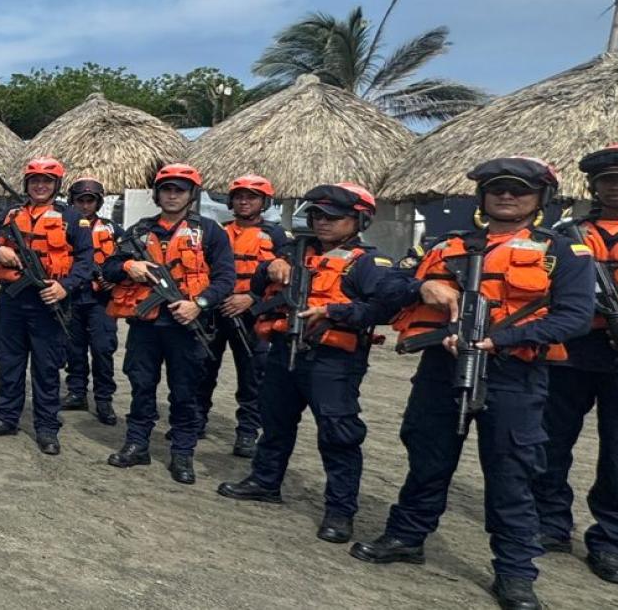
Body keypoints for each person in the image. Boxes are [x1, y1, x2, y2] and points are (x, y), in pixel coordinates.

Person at [352, 157, 596, 610]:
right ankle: (407, 536)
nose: (506, 196)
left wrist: (499, 339)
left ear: (540, 198)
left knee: (511, 475)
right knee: (426, 457)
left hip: (514, 376)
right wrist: (423, 287)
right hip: (440, 371)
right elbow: (385, 290)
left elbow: (574, 317)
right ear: (482, 196)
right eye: (496, 188)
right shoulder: (446, 245)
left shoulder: (562, 251)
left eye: (518, 189)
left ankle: (515, 573)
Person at [216, 183, 409, 546]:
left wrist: (334, 310)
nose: (322, 223)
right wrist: (270, 266)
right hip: (284, 350)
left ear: (359, 220)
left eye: (333, 217)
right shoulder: (294, 249)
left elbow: (383, 309)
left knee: (338, 435)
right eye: (317, 215)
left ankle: (340, 510)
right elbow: (259, 286)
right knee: (274, 421)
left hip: (333, 360)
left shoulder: (369, 262)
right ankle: (265, 481)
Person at [531, 143, 618, 586]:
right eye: (609, 180)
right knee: (550, 440)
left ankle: (614, 539)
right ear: (594, 185)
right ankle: (549, 522)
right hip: (570, 349)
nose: (617, 188)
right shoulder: (567, 232)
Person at [102, 163, 234, 483]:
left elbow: (226, 278)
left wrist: (198, 304)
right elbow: (109, 268)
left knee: (186, 392)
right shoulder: (139, 230)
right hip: (146, 326)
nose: (173, 195)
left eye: (180, 190)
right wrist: (129, 265)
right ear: (157, 194)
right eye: (167, 189)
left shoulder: (210, 231)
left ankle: (183, 453)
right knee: (141, 386)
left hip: (187, 326)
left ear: (191, 195)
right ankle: (137, 444)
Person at [0, 157, 96, 456]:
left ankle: (47, 427)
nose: (40, 185)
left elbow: (86, 261)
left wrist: (63, 287)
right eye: (35, 180)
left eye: (46, 181)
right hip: (13, 301)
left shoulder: (72, 218)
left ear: (56, 185)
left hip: (49, 302)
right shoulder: (10, 214)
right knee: (9, 360)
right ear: (27, 184)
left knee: (46, 366)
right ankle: (6, 416)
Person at [203, 175, 287, 458]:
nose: (244, 201)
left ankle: (247, 433)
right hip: (215, 310)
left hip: (251, 316)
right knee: (202, 370)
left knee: (253, 378)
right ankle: (196, 421)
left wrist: (250, 298)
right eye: (239, 196)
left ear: (264, 202)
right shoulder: (217, 231)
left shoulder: (277, 236)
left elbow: (286, 279)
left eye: (251, 197)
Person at [62, 177, 122, 425]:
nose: (85, 205)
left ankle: (104, 398)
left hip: (101, 299)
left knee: (102, 348)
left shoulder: (112, 229)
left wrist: (115, 280)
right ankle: (76, 391)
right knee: (73, 347)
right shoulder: (64, 226)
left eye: (90, 201)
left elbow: (126, 260)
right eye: (80, 200)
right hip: (73, 295)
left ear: (97, 203)